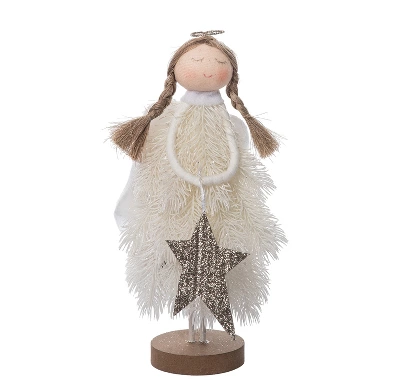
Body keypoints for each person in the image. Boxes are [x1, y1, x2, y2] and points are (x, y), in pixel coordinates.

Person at [111, 31, 286, 336]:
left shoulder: (232, 125)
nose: (207, 68)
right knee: (175, 261)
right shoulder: (165, 123)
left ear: (230, 74)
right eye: (197, 61)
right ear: (175, 71)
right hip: (173, 209)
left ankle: (203, 331)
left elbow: (241, 162)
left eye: (218, 63)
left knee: (222, 257)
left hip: (224, 213)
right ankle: (193, 330)